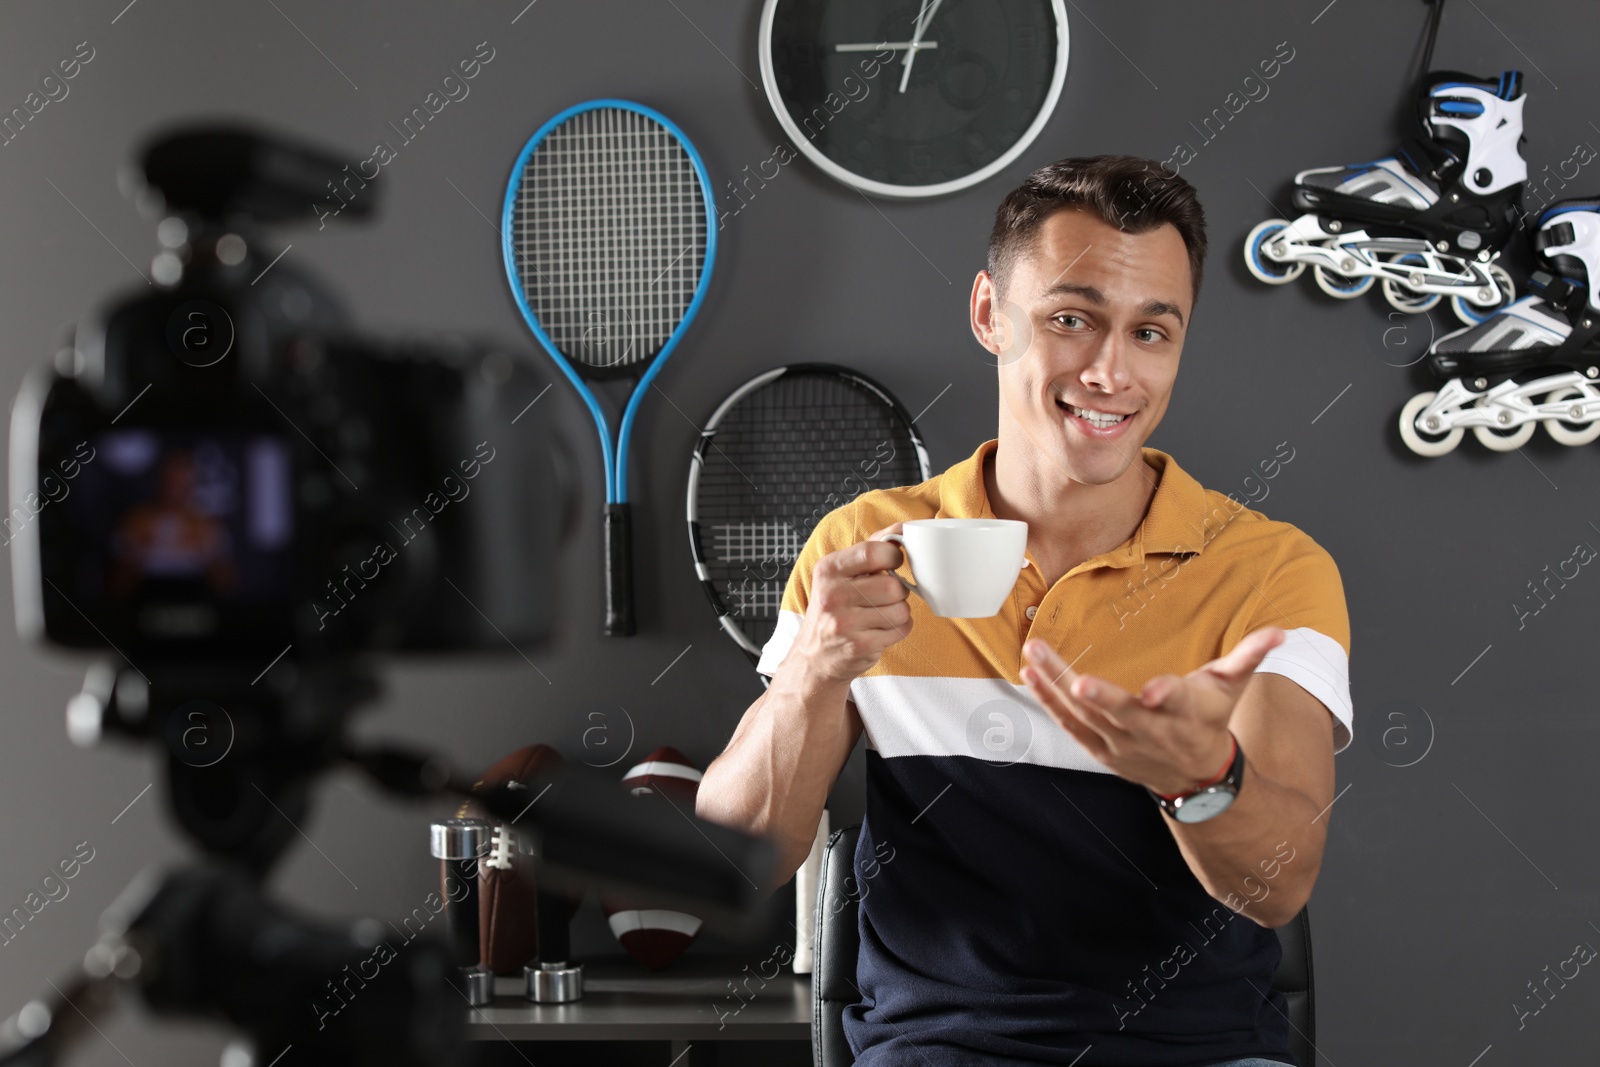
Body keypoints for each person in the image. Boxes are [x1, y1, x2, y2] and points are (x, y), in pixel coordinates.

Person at [696, 156, 1351, 1067]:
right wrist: (812, 670)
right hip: (939, 1052)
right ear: (989, 314)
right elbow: (738, 859)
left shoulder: (1271, 570)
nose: (1111, 371)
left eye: (1152, 333)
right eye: (1072, 319)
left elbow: (1281, 886)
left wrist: (1199, 773)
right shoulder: (865, 543)